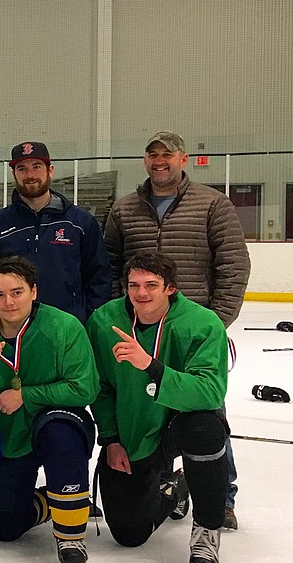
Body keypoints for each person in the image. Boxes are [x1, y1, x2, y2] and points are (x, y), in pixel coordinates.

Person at [104, 130, 250, 529]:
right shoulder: (125, 209)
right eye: (152, 155)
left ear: (183, 159)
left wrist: (213, 323)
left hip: (191, 330)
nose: (159, 161)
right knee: (144, 407)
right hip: (140, 328)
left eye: (167, 155)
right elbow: (112, 266)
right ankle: (164, 480)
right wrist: (125, 314)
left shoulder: (212, 204)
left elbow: (233, 264)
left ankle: (221, 498)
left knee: (206, 411)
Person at [0, 256, 99, 563]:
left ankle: (70, 534)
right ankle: (55, 501)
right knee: (5, 526)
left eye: (16, 292)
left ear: (34, 291)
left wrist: (26, 396)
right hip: (8, 437)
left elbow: (85, 389)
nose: (8, 301)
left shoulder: (65, 327)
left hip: (53, 424)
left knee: (61, 434)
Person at [87, 251, 229, 563]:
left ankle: (207, 529)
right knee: (128, 534)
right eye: (134, 284)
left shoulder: (203, 323)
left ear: (171, 288)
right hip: (134, 430)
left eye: (151, 284)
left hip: (181, 423)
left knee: (206, 428)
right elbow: (102, 388)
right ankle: (176, 490)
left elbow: (210, 392)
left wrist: (150, 366)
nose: (141, 293)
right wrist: (110, 439)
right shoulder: (103, 322)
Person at [0, 141, 110, 325]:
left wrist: (87, 322)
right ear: (14, 174)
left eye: (37, 167)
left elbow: (99, 278)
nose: (30, 175)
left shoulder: (80, 223)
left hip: (68, 331)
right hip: (13, 333)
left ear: (50, 170)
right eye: (22, 169)